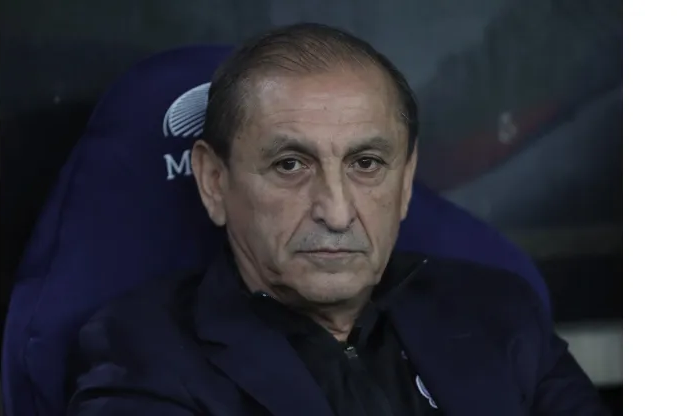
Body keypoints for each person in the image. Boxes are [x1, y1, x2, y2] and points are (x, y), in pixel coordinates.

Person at [67, 23, 608, 415]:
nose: (336, 209)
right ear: (214, 181)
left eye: (366, 164)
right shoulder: (144, 354)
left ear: (406, 178)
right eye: (290, 165)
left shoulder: (497, 311)